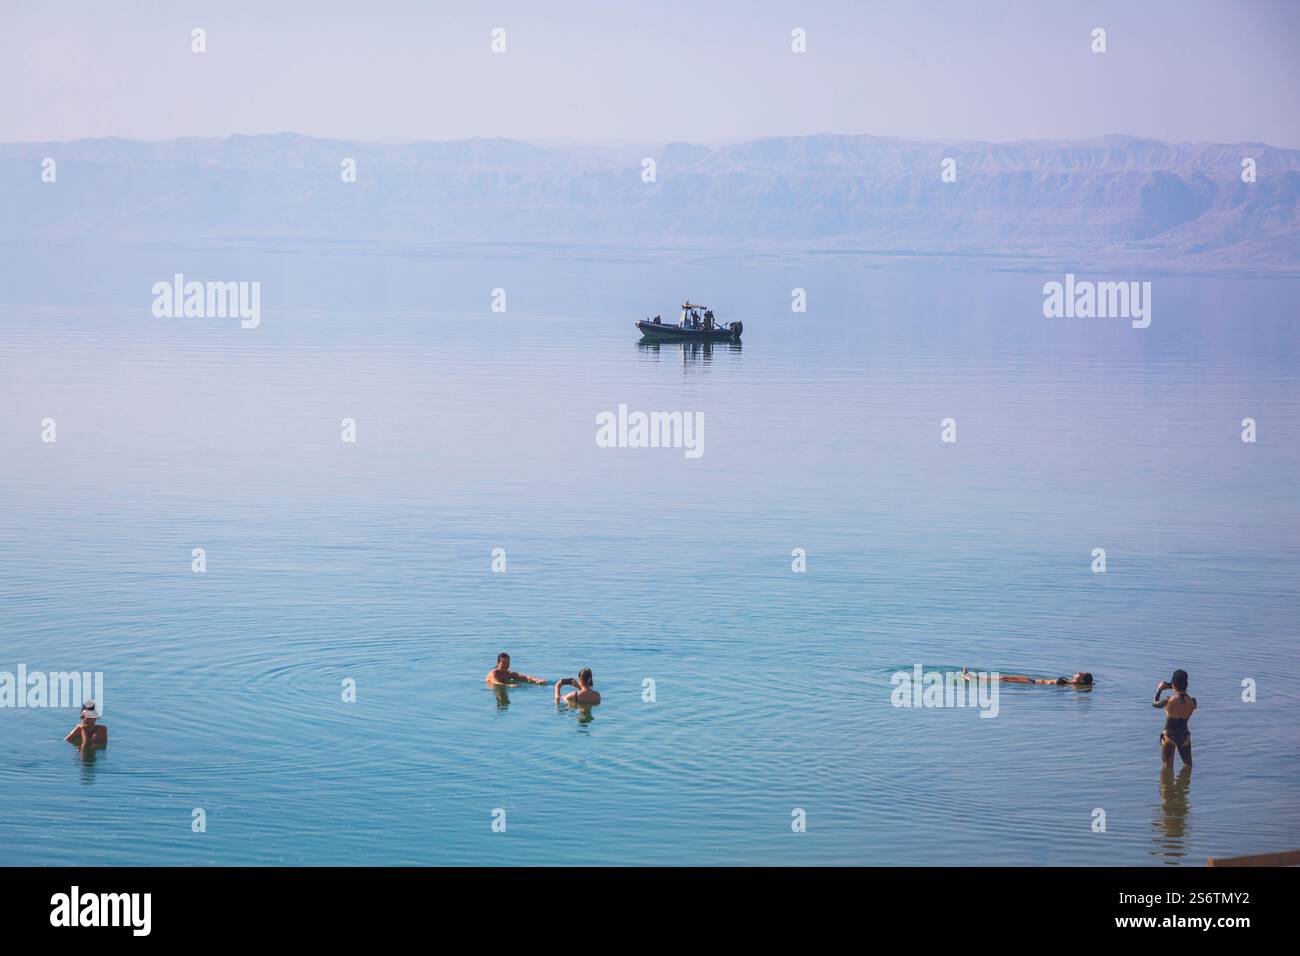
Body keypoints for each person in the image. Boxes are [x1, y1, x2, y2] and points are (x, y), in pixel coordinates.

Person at [1153, 669, 1196, 767]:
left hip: (1169, 736)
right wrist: (1173, 686)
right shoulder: (1193, 702)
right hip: (1184, 736)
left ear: (1173, 684)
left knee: (1167, 769)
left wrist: (1159, 689)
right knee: (1188, 765)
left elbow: (1155, 703)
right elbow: (1183, 695)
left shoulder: (1168, 701)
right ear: (1187, 685)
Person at [962, 667, 1093, 686]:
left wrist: (1083, 679)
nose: (1078, 672)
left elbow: (1080, 684)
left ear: (1081, 679)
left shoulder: (1074, 685)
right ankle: (972, 677)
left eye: (1081, 674)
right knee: (1005, 677)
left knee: (1004, 679)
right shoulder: (1073, 682)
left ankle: (971, 678)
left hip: (1034, 684)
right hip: (1033, 680)